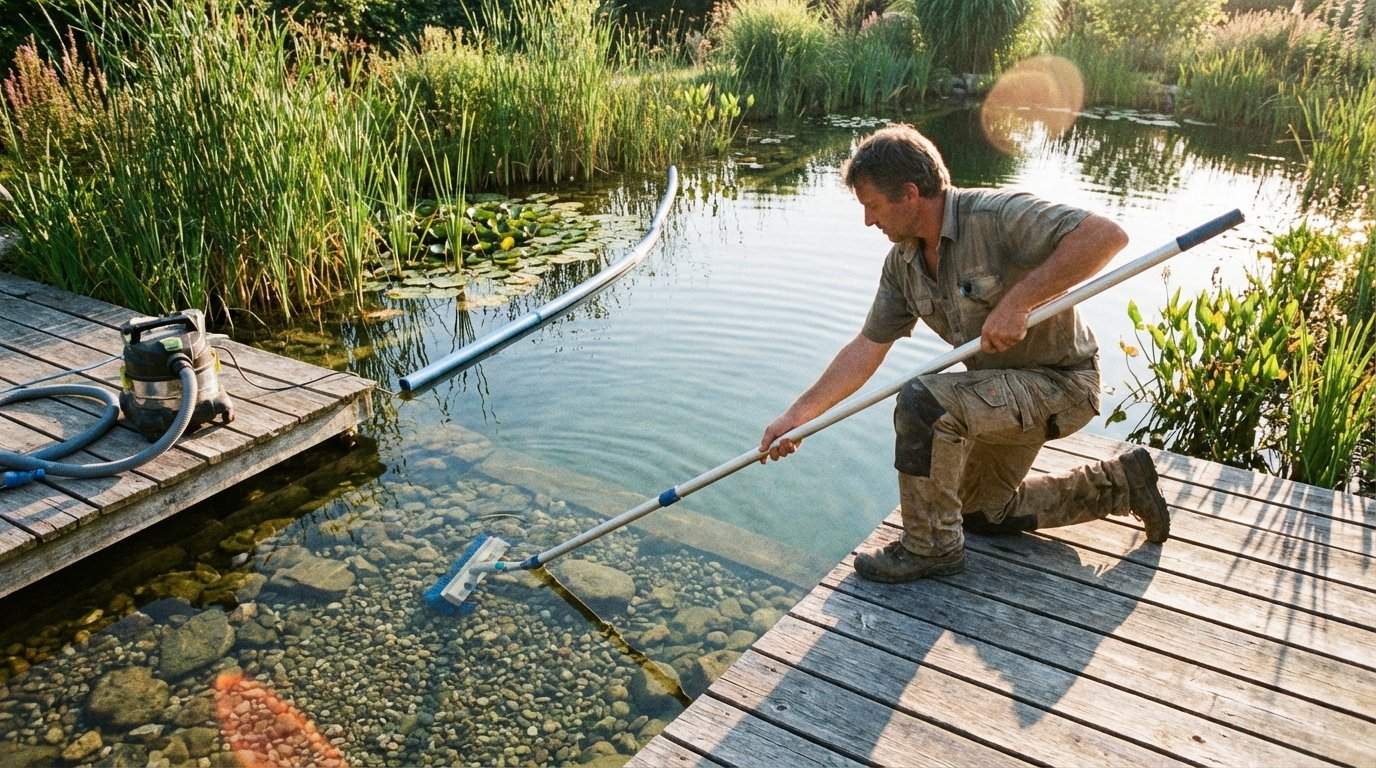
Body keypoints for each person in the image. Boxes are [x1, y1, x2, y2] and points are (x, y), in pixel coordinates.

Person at [758, 124, 1170, 583]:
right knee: (980, 513)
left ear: (910, 194)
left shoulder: (996, 216)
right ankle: (1119, 484)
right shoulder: (904, 264)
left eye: (873, 206)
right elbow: (866, 348)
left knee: (924, 403)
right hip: (996, 400)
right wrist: (799, 417)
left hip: (1061, 385)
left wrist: (1019, 301)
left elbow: (1105, 236)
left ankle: (930, 548)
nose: (869, 221)